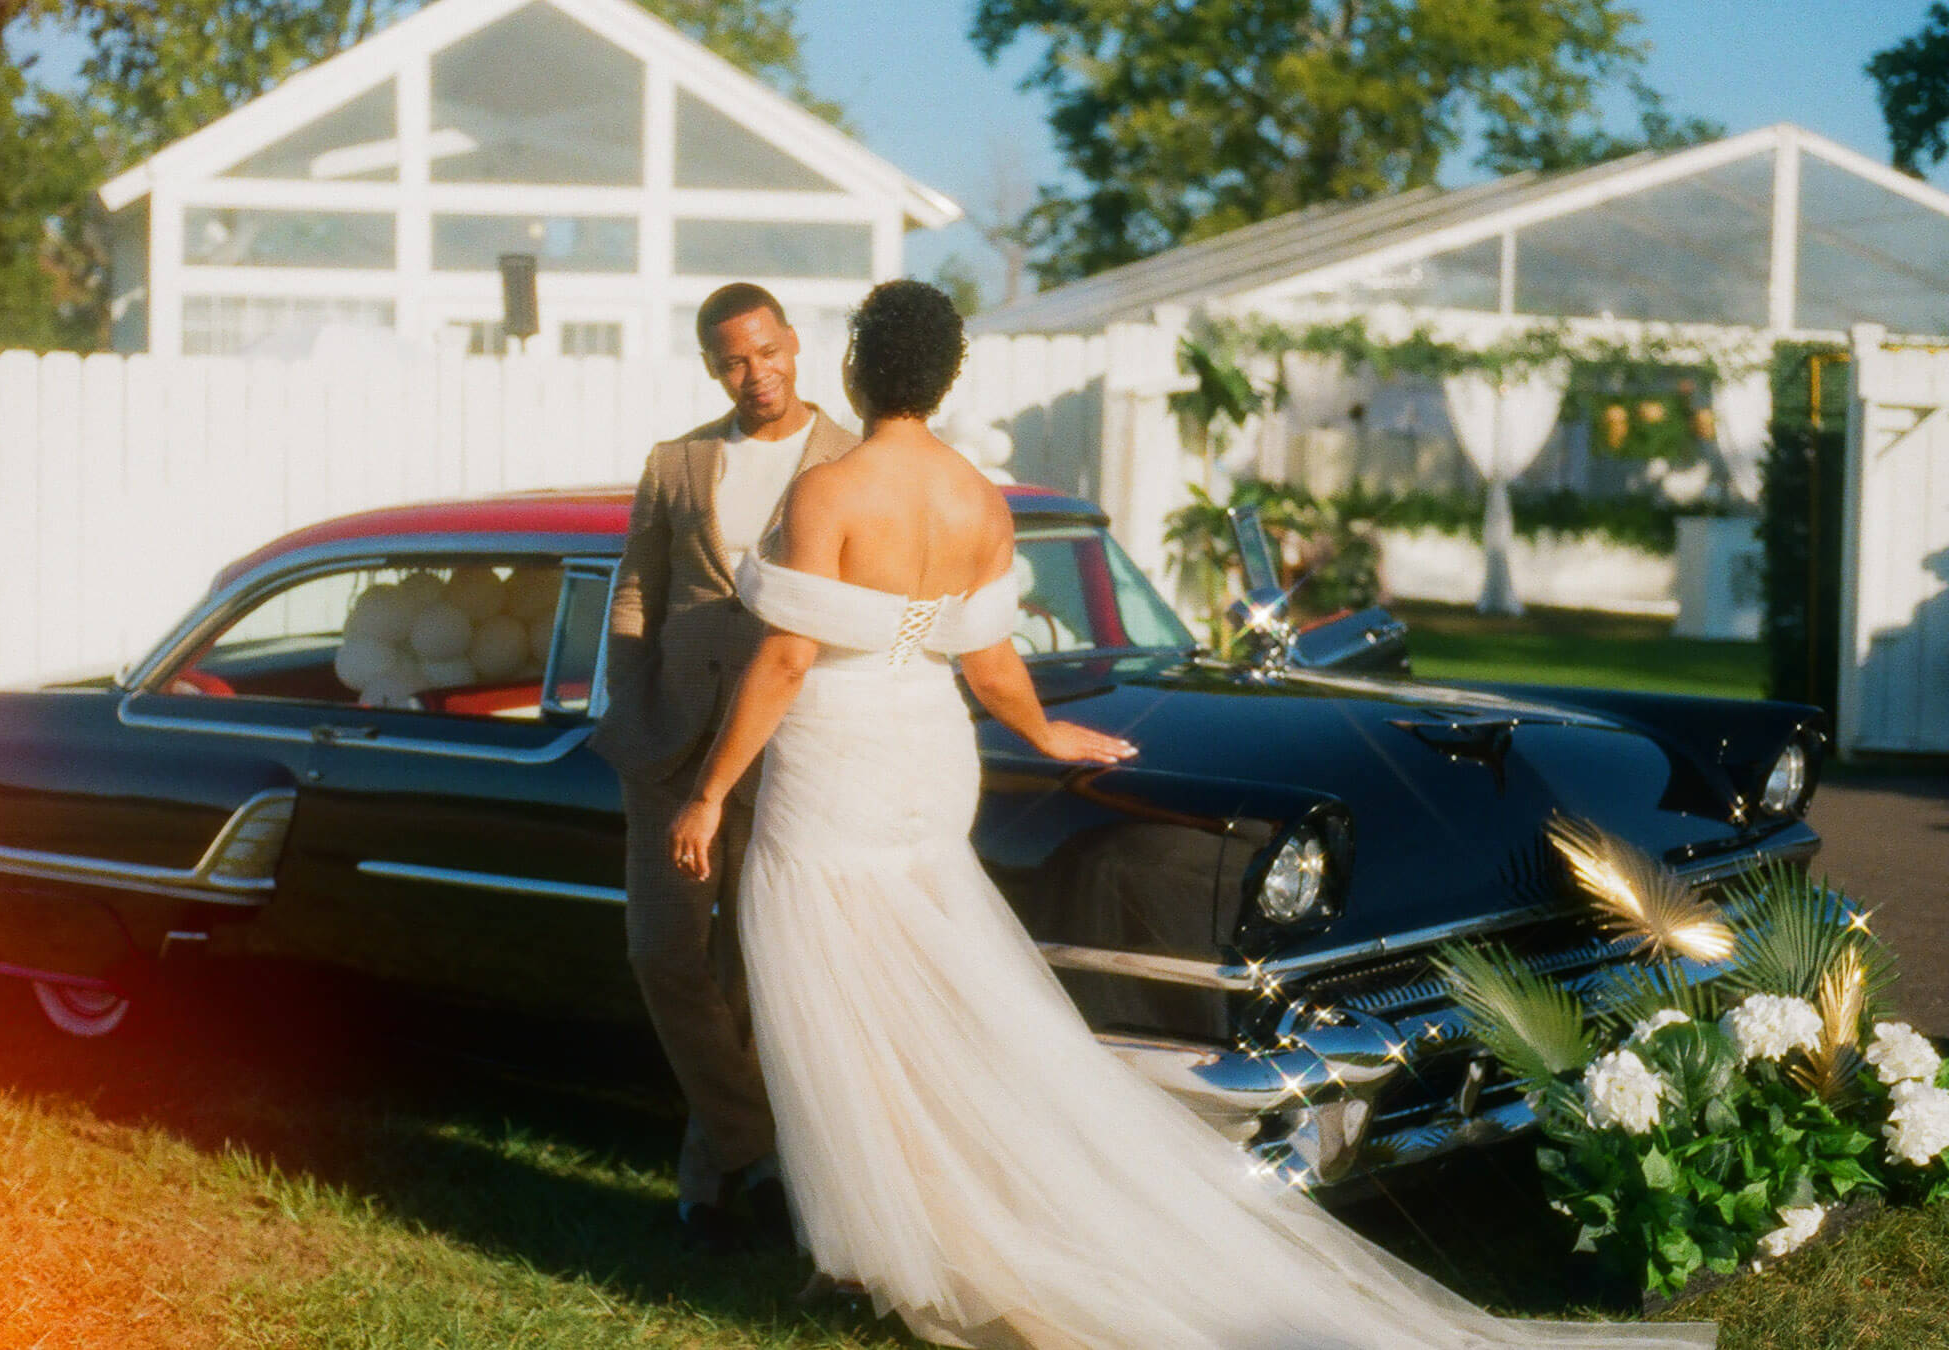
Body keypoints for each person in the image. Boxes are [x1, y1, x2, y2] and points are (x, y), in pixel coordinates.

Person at [665, 280, 1716, 1350]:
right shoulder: (978, 500)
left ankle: (873, 1248)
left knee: (842, 999)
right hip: (928, 754)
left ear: (853, 366)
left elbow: (789, 653)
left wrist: (706, 790)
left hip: (839, 755)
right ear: (942, 378)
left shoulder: (828, 489)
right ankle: (903, 1236)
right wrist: (1043, 732)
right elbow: (986, 658)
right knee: (933, 988)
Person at [594, 282, 858, 1251]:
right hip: (668, 740)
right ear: (712, 366)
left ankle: (709, 1184)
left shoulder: (851, 459)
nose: (757, 375)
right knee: (660, 951)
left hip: (793, 738)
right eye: (734, 361)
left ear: (795, 343)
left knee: (752, 966)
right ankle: (760, 1144)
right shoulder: (678, 461)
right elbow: (635, 588)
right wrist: (628, 698)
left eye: (768, 352)